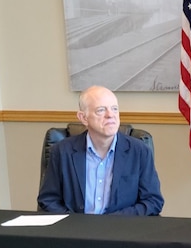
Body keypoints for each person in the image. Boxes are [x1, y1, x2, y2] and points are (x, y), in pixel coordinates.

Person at [37, 86, 164, 215]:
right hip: (75, 230)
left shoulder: (139, 151)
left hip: (121, 230)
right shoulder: (62, 151)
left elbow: (153, 201)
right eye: (101, 110)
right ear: (83, 118)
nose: (110, 115)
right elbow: (48, 200)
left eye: (114, 109)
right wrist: (75, 224)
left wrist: (111, 223)